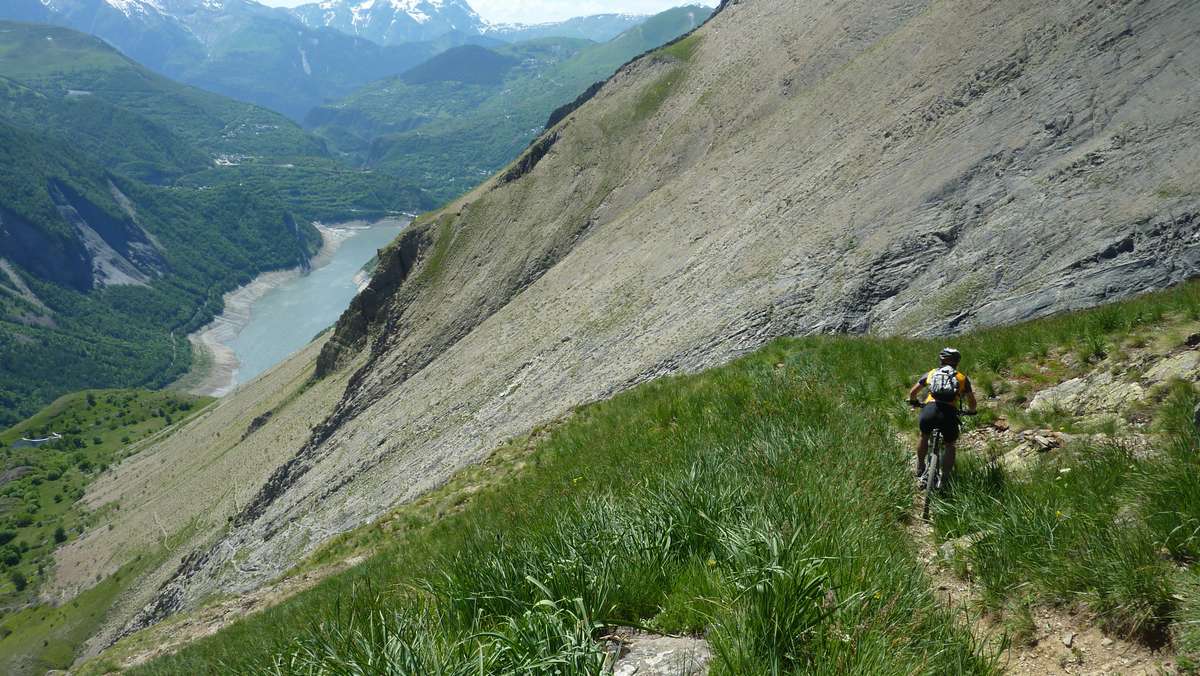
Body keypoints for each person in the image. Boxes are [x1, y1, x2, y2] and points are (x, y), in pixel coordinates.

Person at [907, 347, 977, 489]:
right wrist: (971, 411)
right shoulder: (962, 378)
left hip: (930, 410)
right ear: (957, 362)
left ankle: (920, 466)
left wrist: (914, 402)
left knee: (924, 435)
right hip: (949, 414)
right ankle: (944, 479)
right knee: (950, 445)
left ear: (941, 360)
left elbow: (913, 392)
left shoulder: (932, 373)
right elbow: (972, 401)